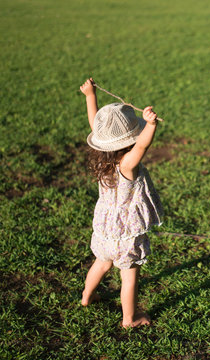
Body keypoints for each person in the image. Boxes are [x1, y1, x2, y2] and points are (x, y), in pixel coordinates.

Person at [79, 78, 163, 328]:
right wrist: (150, 125)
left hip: (104, 229)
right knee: (129, 278)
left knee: (101, 264)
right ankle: (130, 318)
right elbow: (142, 145)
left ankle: (86, 296)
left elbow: (95, 124)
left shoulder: (103, 162)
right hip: (126, 233)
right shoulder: (127, 165)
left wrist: (89, 96)